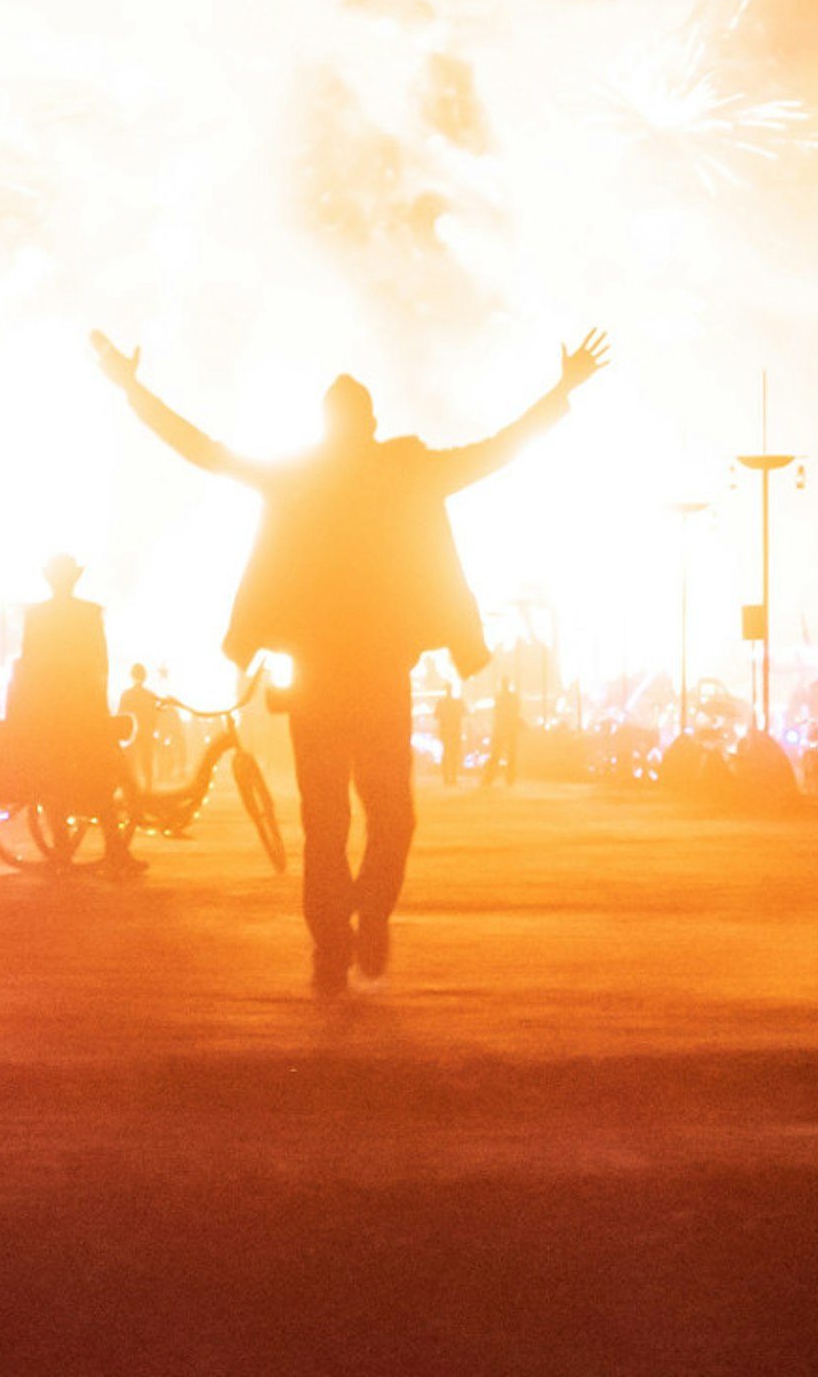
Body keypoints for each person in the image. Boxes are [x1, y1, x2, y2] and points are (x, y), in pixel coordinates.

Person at [95, 326, 607, 996]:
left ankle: (332, 946)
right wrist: (561, 390)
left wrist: (133, 391)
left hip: (316, 680)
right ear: (370, 423)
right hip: (378, 675)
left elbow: (206, 453)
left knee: (325, 823)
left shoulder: (298, 476)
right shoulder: (405, 468)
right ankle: (366, 916)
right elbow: (497, 452)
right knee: (392, 817)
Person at [1, 555, 135, 870]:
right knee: (100, 780)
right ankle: (114, 849)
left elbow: (28, 665)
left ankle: (62, 849)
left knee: (53, 785)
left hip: (46, 713)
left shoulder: (36, 616)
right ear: (74, 579)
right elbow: (101, 666)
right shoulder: (90, 614)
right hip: (83, 711)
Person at [485, 677, 521, 787]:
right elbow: (515, 713)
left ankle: (489, 778)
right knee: (511, 754)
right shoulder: (513, 698)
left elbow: (498, 714)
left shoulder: (500, 698)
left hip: (502, 728)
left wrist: (496, 729)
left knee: (497, 754)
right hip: (510, 728)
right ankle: (510, 778)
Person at [434, 678, 469, 787]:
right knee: (452, 754)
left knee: (448, 753)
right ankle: (451, 777)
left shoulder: (443, 703)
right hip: (453, 731)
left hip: (447, 731)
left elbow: (436, 715)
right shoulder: (456, 702)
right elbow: (465, 712)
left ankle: (448, 777)